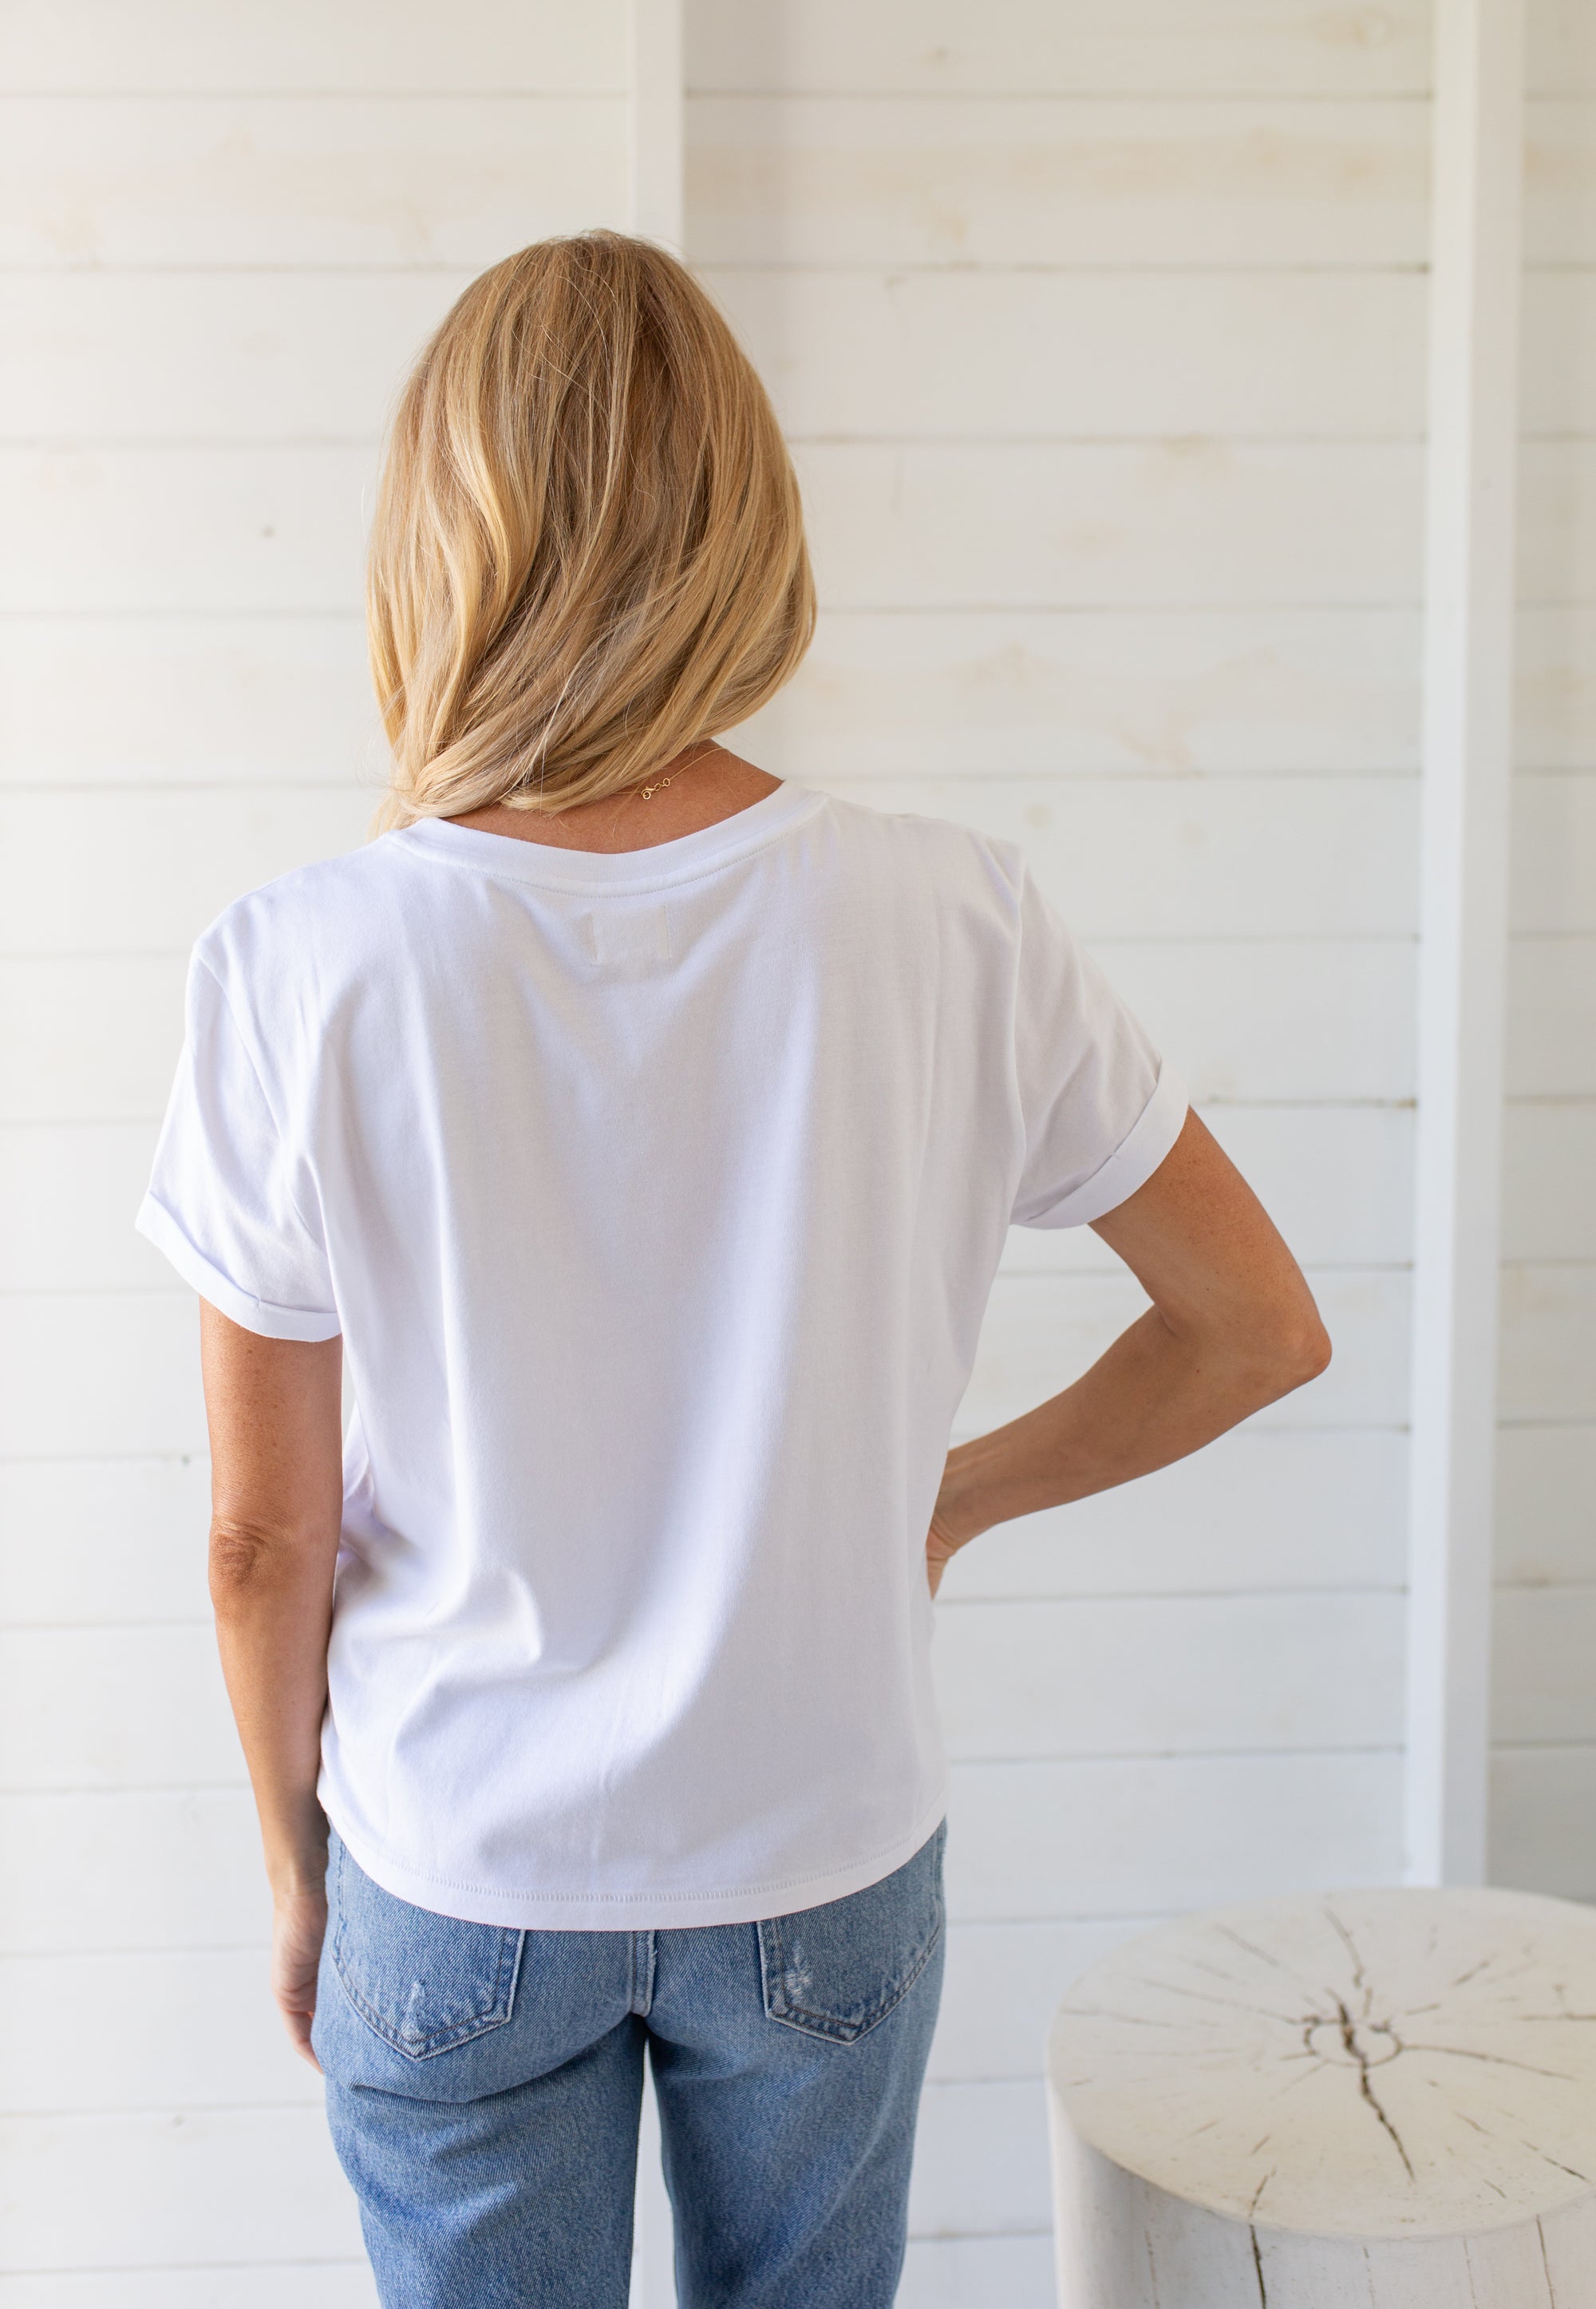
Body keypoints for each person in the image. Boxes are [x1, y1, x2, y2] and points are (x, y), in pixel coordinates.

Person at [136, 231, 1330, 2309]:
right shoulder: (950, 919)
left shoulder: (301, 966)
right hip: (823, 1852)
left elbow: (261, 1535)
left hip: (461, 1866)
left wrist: (292, 1862)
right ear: (742, 535)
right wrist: (941, 1497)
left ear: (442, 543)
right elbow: (1253, 1328)